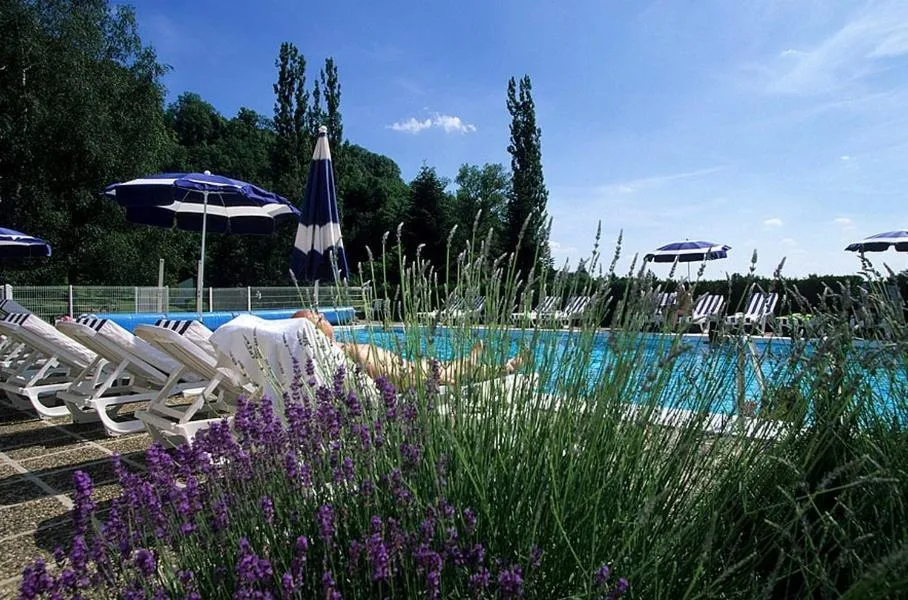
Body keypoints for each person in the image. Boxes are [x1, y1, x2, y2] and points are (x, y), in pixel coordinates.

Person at [291, 309, 529, 388]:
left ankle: (473, 361)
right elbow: (373, 371)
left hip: (405, 367)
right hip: (404, 376)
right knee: (449, 373)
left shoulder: (336, 347)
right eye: (315, 317)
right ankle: (504, 368)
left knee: (442, 364)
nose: (321, 314)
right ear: (310, 332)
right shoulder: (330, 353)